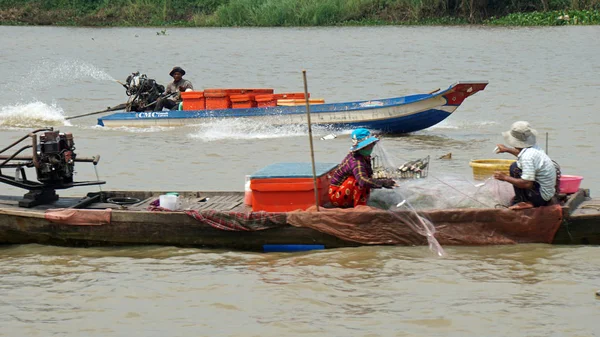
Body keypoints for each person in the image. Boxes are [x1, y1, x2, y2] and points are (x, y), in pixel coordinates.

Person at [493, 121, 558, 210]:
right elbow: (521, 155)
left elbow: (527, 183)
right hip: (547, 192)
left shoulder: (527, 156)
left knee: (514, 168)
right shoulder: (532, 148)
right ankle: (523, 198)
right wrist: (506, 149)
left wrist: (504, 177)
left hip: (540, 197)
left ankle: (527, 202)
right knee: (515, 165)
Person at [328, 128, 396, 208]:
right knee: (359, 181)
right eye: (369, 145)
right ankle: (360, 208)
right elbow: (362, 180)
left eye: (372, 144)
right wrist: (383, 183)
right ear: (362, 147)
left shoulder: (363, 155)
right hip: (337, 195)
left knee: (366, 179)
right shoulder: (356, 161)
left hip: (344, 191)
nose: (371, 146)